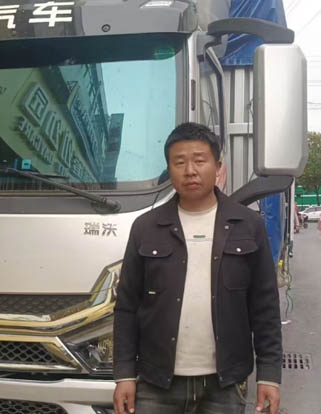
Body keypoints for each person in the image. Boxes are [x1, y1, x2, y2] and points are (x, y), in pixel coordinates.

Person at [113, 123, 282, 414]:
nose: (190, 171)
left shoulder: (248, 225)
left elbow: (264, 305)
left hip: (225, 383)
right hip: (156, 382)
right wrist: (124, 374)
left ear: (218, 167)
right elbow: (127, 306)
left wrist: (269, 374)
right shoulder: (146, 227)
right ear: (169, 170)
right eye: (179, 162)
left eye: (199, 160)